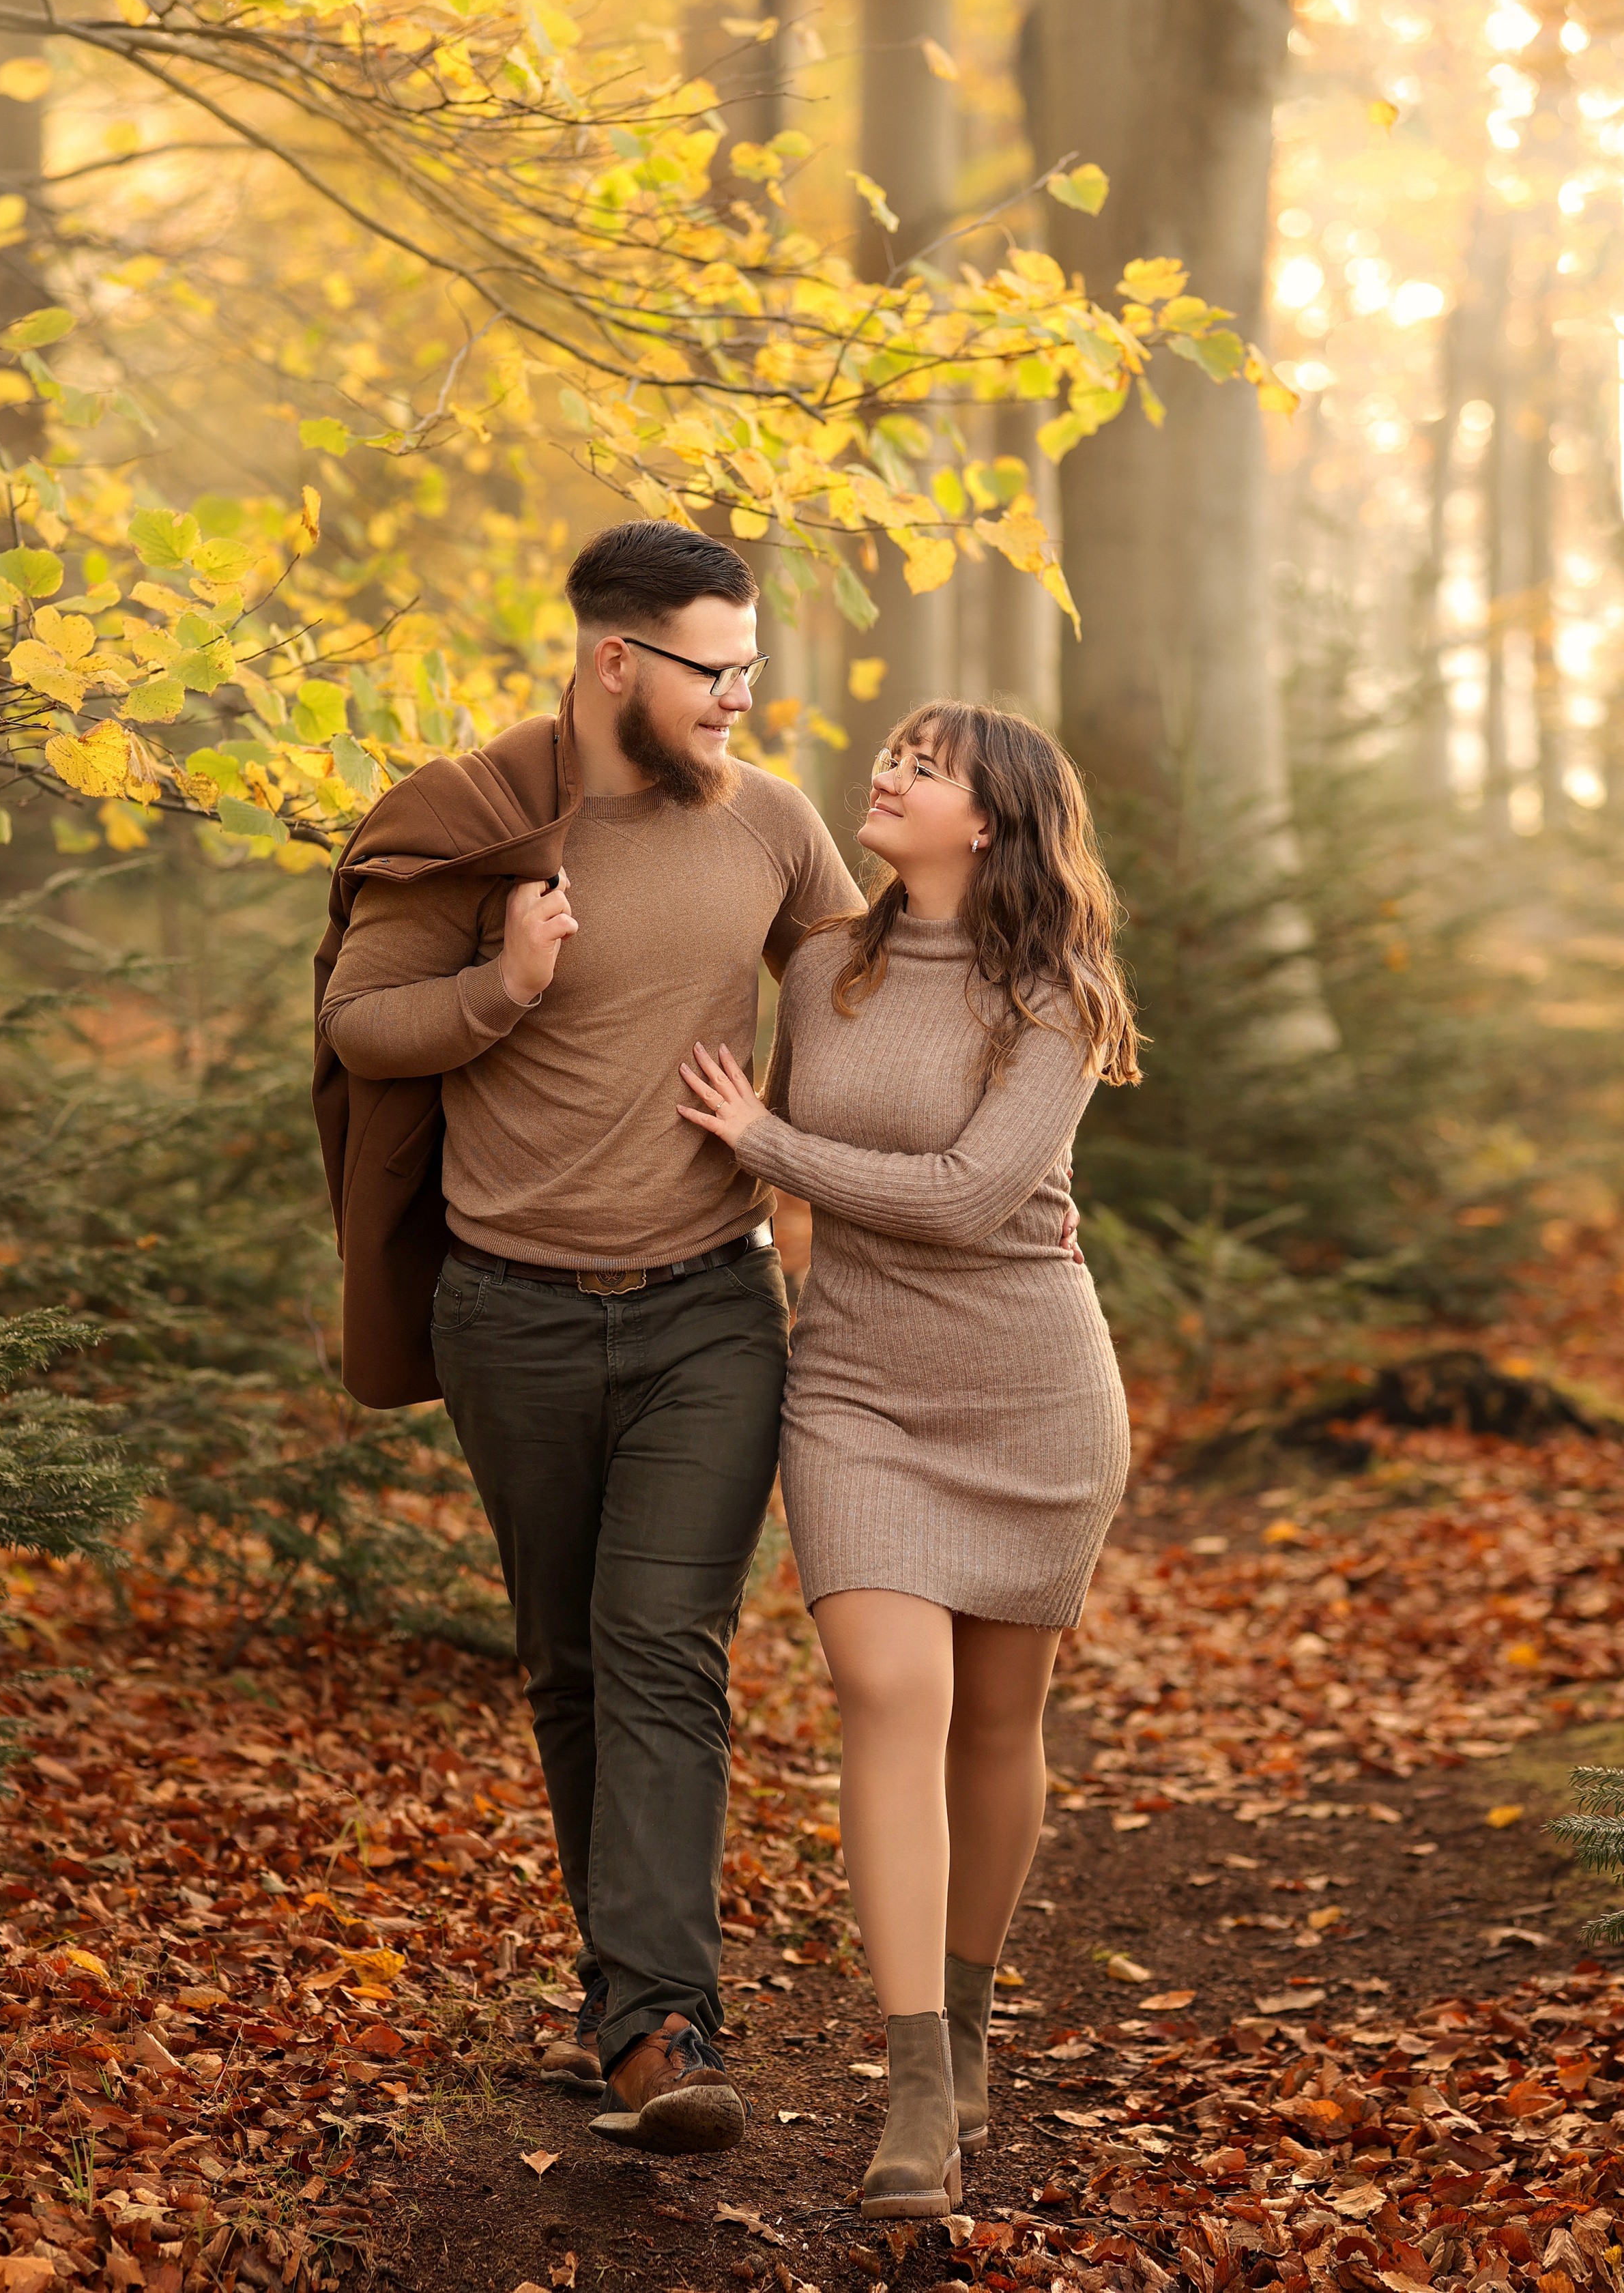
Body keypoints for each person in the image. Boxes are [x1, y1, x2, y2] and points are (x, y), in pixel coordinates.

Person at [316, 521, 860, 2154]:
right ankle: (626, 2001)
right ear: (616, 659)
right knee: (566, 1665)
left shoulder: (771, 822)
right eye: (715, 671)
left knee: (660, 1646)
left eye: (752, 671)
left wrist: (816, 1137)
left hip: (710, 1305)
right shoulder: (478, 826)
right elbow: (360, 1021)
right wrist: (502, 982)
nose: (741, 703)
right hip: (511, 1316)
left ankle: (658, 2023)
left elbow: (858, 989)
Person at [676, 700, 1139, 2215]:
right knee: (889, 1689)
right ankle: (919, 2079)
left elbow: (960, 1194)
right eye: (886, 752)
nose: (882, 773)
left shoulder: (1054, 993)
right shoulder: (820, 962)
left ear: (990, 820)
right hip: (857, 1387)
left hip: (1033, 1394)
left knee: (996, 1727)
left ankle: (972, 1997)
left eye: (919, 767)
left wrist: (767, 1143)